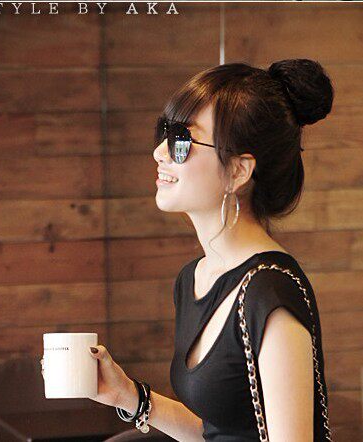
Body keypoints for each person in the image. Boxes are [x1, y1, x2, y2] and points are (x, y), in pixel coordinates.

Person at [42, 59, 334, 441]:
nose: (159, 152)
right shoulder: (193, 279)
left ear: (238, 171)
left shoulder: (270, 294)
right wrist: (127, 395)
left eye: (182, 141)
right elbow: (217, 433)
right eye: (165, 133)